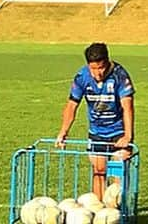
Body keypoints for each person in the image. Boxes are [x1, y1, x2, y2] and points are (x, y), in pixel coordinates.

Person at [55, 42, 134, 200]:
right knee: (99, 172)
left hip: (118, 132)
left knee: (119, 178)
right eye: (94, 69)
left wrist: (128, 136)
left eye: (101, 67)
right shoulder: (82, 77)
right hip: (96, 132)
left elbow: (128, 107)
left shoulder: (120, 75)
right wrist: (63, 132)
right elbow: (71, 106)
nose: (98, 73)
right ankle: (99, 211)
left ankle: (118, 214)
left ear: (107, 61)